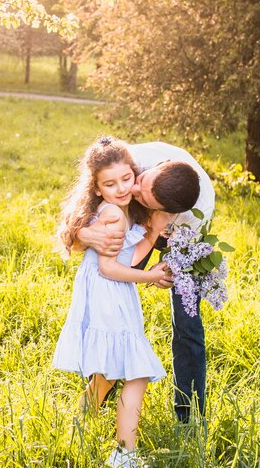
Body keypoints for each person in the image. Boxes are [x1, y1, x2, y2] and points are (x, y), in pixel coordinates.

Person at [53, 137, 171, 468]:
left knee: (105, 376)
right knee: (137, 372)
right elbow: (110, 268)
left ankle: (75, 430)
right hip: (108, 292)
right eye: (109, 183)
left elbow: (123, 256)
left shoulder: (117, 211)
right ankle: (124, 456)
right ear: (98, 188)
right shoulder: (113, 216)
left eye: (125, 178)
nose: (120, 188)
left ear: (134, 173)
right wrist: (149, 276)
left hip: (109, 293)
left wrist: (150, 236)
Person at [77, 141, 215, 423]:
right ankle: (100, 391)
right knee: (113, 303)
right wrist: (83, 234)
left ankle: (188, 416)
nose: (132, 189)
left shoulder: (194, 215)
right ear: (157, 165)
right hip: (136, 220)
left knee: (188, 320)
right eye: (139, 181)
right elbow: (82, 208)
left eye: (141, 194)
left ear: (165, 211)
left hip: (177, 234)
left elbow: (171, 262)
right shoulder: (131, 164)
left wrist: (168, 271)